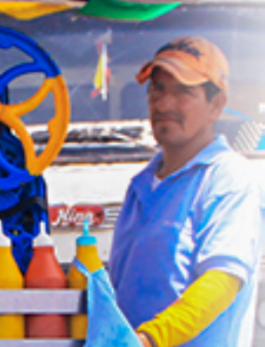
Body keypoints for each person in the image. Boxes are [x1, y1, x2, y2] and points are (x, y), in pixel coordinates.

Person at [109, 37, 263, 347]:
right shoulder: (141, 185)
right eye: (157, 90)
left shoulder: (227, 177)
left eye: (184, 92)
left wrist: (149, 340)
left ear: (216, 105)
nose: (164, 104)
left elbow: (222, 280)